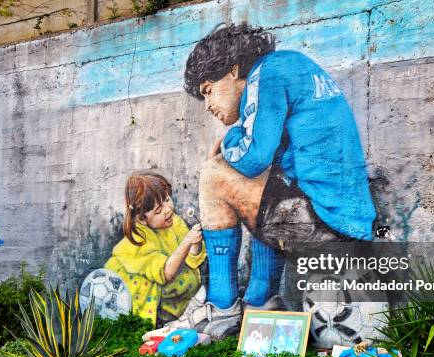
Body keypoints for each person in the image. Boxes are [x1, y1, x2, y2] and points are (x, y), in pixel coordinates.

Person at [168, 23, 376, 338]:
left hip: (324, 222)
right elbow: (271, 168)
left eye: (208, 90)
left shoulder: (267, 74)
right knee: (263, 186)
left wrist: (229, 140)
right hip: (344, 221)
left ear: (234, 69)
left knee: (214, 174)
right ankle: (259, 301)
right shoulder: (290, 67)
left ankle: (221, 306)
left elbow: (253, 158)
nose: (208, 105)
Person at [104, 172, 206, 327]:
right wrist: (187, 242)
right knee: (152, 285)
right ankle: (154, 322)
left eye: (167, 199)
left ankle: (182, 313)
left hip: (167, 277)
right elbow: (165, 273)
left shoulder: (175, 222)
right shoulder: (138, 239)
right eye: (158, 210)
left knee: (188, 277)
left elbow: (193, 260)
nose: (168, 209)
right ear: (141, 219)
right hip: (140, 281)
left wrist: (195, 242)